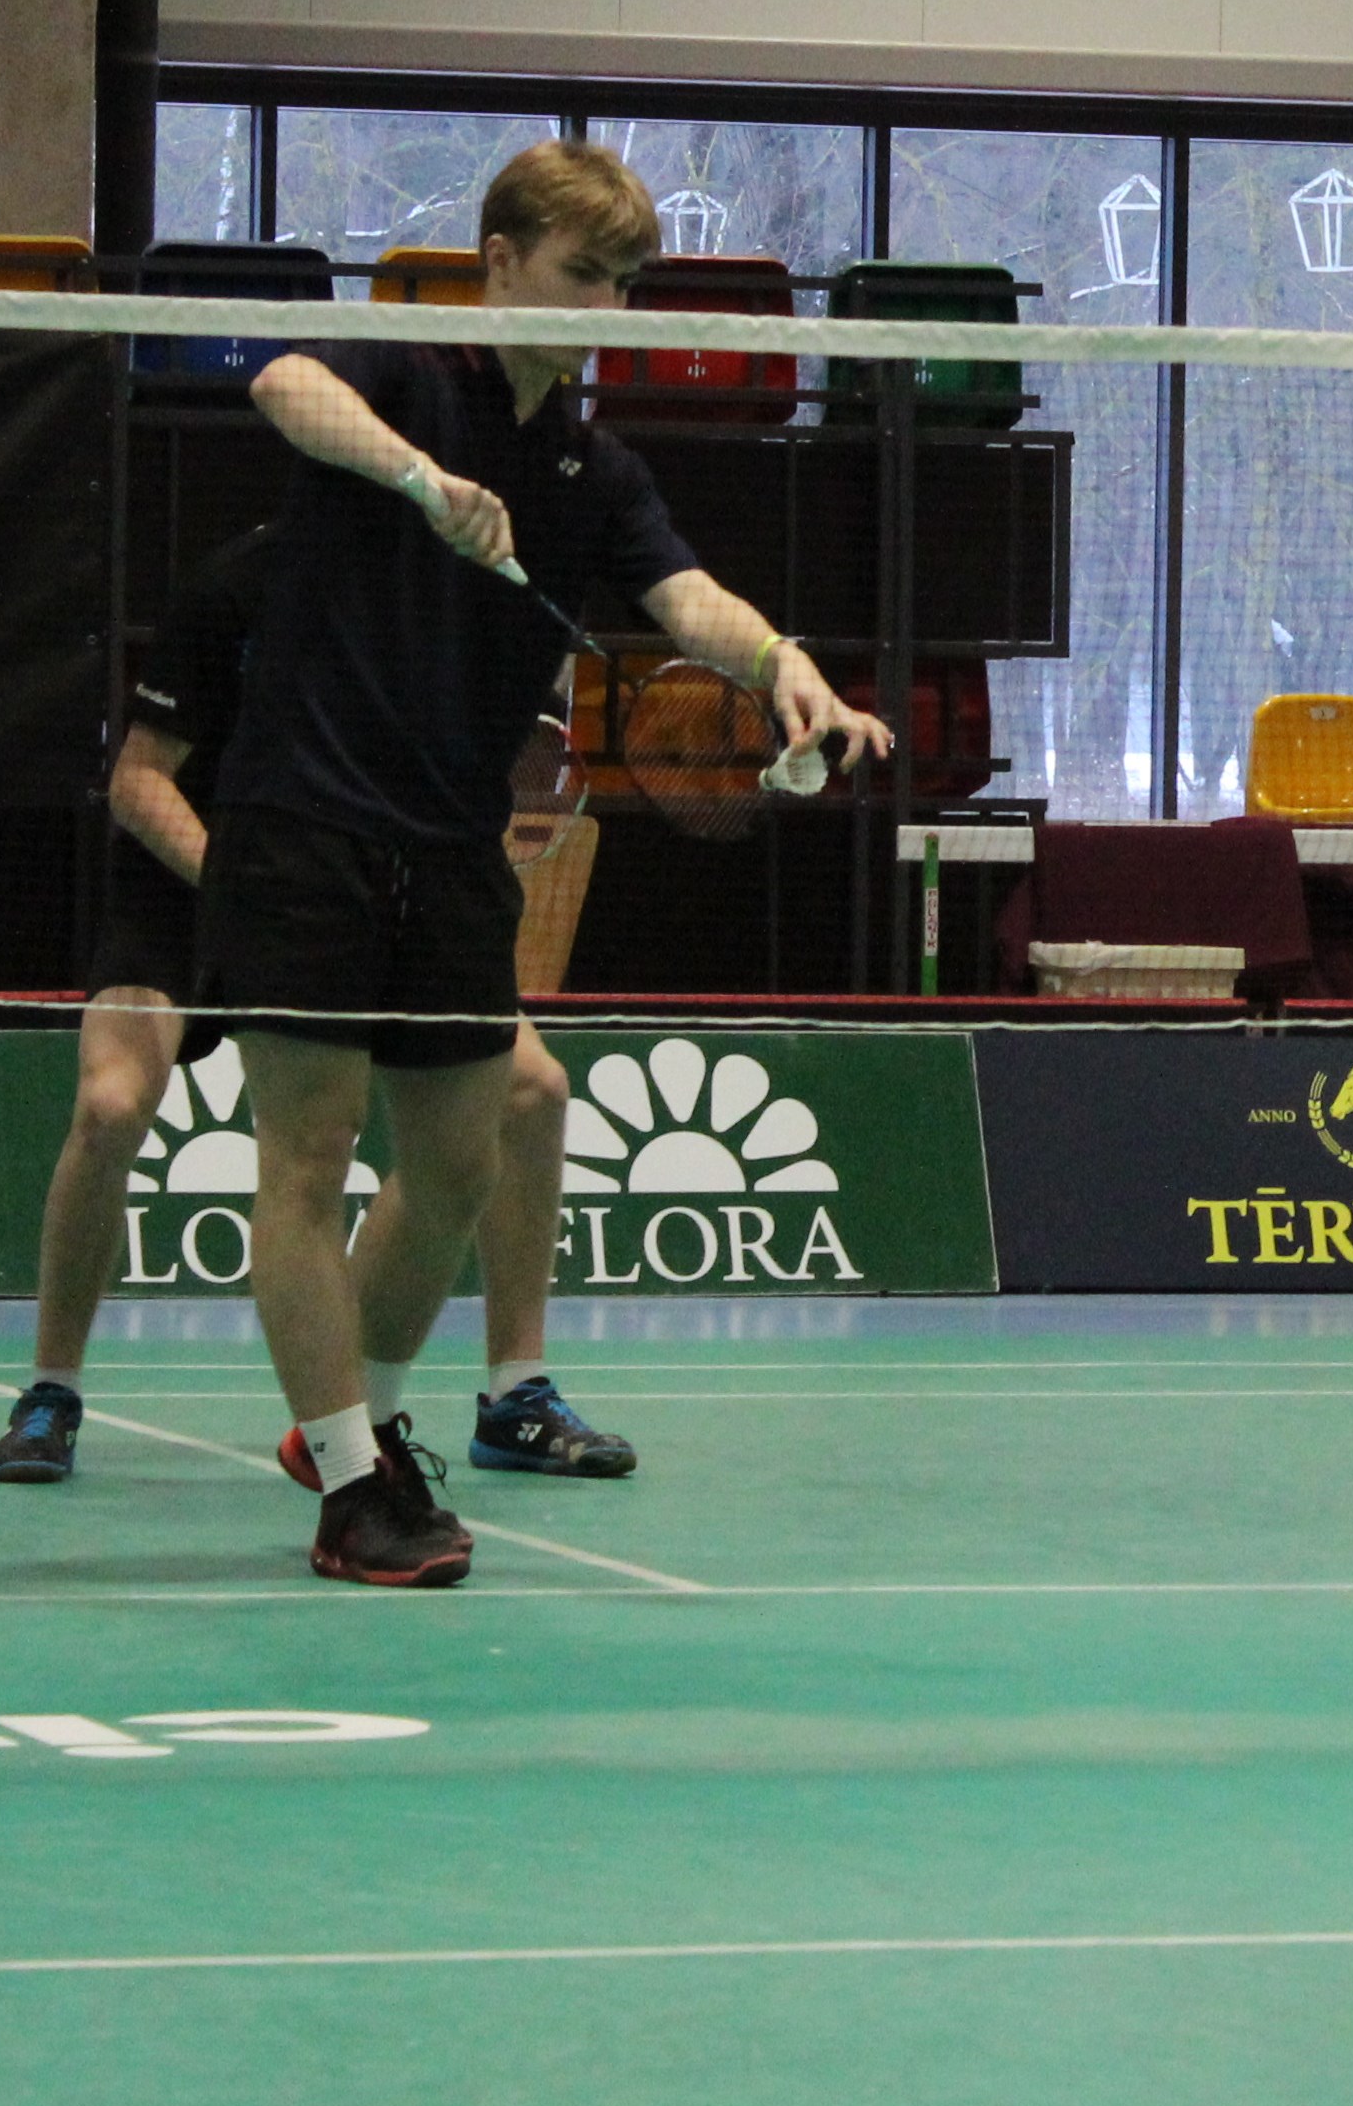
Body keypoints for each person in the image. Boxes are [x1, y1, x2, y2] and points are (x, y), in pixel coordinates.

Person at [205, 138, 886, 1586]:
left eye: (624, 283)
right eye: (583, 273)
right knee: (308, 1156)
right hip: (307, 820)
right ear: (501, 259)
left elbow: (685, 595)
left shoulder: (593, 465)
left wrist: (786, 663)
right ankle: (353, 1481)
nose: (604, 307)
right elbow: (281, 384)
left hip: (451, 843)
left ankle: (351, 1428)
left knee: (462, 1161)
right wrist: (420, 478)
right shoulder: (404, 369)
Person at [0, 528, 644, 1490]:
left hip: (342, 886)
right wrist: (241, 891)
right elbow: (137, 781)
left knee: (533, 1092)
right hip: (193, 879)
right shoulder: (242, 583)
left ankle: (514, 1393)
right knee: (112, 1106)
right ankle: (52, 1391)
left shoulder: (445, 603)